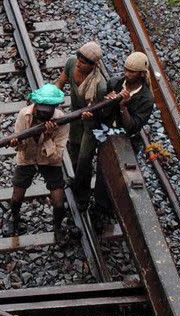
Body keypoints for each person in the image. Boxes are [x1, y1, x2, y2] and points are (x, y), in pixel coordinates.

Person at [94, 52, 156, 211]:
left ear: (142, 74)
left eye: (131, 71)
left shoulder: (146, 99)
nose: (127, 74)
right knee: (102, 170)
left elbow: (132, 127)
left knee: (120, 177)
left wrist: (122, 107)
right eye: (126, 70)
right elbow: (102, 115)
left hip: (126, 140)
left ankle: (113, 207)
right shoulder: (115, 83)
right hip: (107, 133)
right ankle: (100, 205)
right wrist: (108, 103)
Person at [9, 84, 70, 241]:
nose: (40, 115)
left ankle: (57, 227)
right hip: (27, 157)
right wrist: (17, 142)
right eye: (39, 111)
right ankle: (14, 219)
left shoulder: (62, 121)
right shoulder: (24, 115)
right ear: (34, 105)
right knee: (16, 197)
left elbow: (57, 158)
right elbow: (20, 149)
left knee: (58, 202)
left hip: (49, 160)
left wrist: (48, 138)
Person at [54, 41, 108, 210]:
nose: (79, 63)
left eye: (84, 62)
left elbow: (95, 111)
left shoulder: (99, 85)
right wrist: (52, 100)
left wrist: (89, 113)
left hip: (90, 124)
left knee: (85, 158)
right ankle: (75, 180)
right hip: (75, 116)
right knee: (74, 149)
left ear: (93, 66)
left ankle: (83, 194)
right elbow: (61, 81)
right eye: (79, 59)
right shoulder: (71, 63)